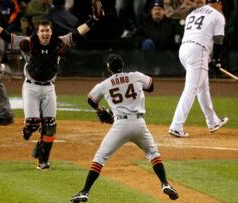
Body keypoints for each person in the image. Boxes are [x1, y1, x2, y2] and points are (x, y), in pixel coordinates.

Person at [0, 6, 103, 169]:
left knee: (50, 126)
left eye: (47, 31)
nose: (45, 33)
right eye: (42, 31)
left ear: (51, 32)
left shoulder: (59, 42)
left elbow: (78, 33)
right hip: (31, 88)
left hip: (49, 88)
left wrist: (93, 20)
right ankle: (28, 129)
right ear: (37, 32)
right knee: (32, 124)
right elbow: (7, 37)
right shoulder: (28, 43)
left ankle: (43, 160)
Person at [70, 54, 179, 203]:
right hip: (140, 124)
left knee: (100, 157)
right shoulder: (136, 76)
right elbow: (151, 87)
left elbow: (90, 99)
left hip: (121, 125)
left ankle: (85, 192)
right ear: (123, 65)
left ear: (109, 69)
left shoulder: (105, 84)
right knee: (153, 153)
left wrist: (100, 109)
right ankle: (165, 183)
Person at [168, 0, 228, 138]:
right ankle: (176, 125)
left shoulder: (193, 13)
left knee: (202, 87)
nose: (221, 6)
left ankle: (213, 121)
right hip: (198, 50)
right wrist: (217, 60)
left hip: (184, 50)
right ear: (217, 3)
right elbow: (218, 40)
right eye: (221, 4)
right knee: (192, 89)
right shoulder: (217, 15)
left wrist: (208, 58)